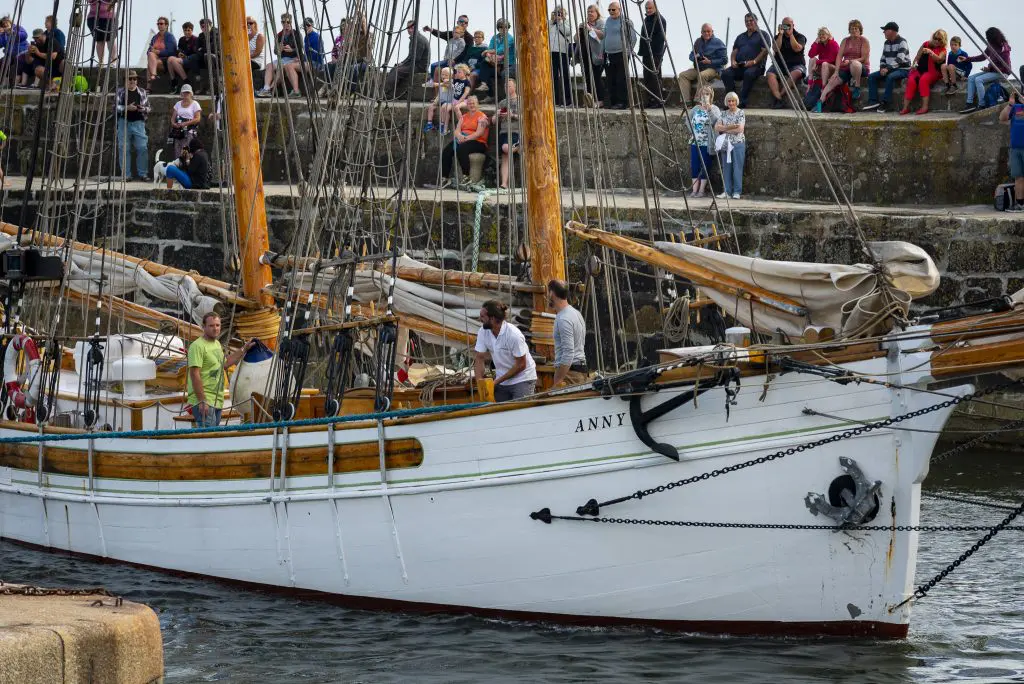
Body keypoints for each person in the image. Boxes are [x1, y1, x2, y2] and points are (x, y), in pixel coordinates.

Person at [187, 313, 255, 427]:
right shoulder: (197, 346)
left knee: (214, 433)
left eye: (217, 325)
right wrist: (202, 401)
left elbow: (225, 364)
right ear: (203, 327)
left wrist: (244, 349)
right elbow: (194, 375)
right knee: (209, 435)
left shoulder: (217, 344)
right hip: (205, 399)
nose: (215, 329)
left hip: (217, 399)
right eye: (211, 325)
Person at [473, 300, 537, 402]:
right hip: (502, 381)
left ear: (492, 319)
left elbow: (521, 365)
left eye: (482, 316)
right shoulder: (483, 332)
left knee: (521, 409)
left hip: (523, 378)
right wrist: (480, 384)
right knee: (497, 409)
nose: (479, 319)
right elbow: (479, 358)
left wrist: (495, 382)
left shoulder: (513, 335)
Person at [815, 19, 870, 112]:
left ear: (860, 30)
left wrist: (850, 61)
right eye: (852, 28)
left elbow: (864, 58)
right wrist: (836, 72)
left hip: (860, 67)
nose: (854, 30)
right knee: (832, 81)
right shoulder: (845, 40)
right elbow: (839, 56)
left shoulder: (864, 40)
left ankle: (857, 87)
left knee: (855, 64)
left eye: (856, 28)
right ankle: (820, 102)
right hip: (846, 67)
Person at [720, 13, 771, 109]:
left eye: (751, 20)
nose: (749, 23)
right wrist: (733, 61)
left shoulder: (763, 35)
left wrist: (754, 61)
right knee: (725, 73)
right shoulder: (740, 37)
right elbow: (734, 51)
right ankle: (732, 100)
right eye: (747, 21)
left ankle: (742, 101)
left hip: (756, 66)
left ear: (756, 21)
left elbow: (764, 51)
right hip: (740, 65)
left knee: (748, 74)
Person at [439, 95, 489, 186]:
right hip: (463, 139)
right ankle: (444, 177)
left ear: (477, 104)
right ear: (467, 105)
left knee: (461, 149)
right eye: (469, 103)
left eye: (473, 103)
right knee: (447, 151)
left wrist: (465, 139)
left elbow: (479, 133)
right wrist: (459, 136)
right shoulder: (464, 117)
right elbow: (456, 131)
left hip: (478, 142)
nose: (471, 105)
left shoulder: (482, 117)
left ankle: (466, 176)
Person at [960, 27, 1012, 114]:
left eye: (988, 38)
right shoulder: (991, 46)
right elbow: (982, 57)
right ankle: (969, 103)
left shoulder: (1004, 49)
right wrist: (967, 59)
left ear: (993, 38)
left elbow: (1006, 68)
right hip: (993, 70)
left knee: (978, 79)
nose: (987, 39)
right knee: (971, 78)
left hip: (1002, 73)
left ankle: (982, 104)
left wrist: (990, 68)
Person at [863, 22, 911, 113]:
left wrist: (887, 69)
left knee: (890, 77)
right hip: (889, 69)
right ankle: (873, 101)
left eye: (885, 30)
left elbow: (899, 59)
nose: (883, 32)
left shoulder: (902, 42)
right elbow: (883, 58)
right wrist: (882, 68)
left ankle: (885, 102)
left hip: (903, 69)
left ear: (892, 31)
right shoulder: (886, 43)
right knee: (872, 77)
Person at [548, 280, 588, 387]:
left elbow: (569, 353)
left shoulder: (563, 319)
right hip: (580, 369)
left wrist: (558, 379)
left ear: (552, 294)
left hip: (570, 374)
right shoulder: (576, 313)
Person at [677, 24, 727, 105]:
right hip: (699, 68)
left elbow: (724, 60)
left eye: (708, 31)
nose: (706, 33)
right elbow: (691, 55)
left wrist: (710, 61)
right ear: (701, 32)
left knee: (702, 75)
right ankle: (686, 102)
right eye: (704, 31)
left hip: (713, 69)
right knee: (683, 75)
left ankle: (699, 100)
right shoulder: (698, 42)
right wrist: (695, 58)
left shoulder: (718, 42)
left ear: (712, 32)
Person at [900, 30, 947, 116]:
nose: (936, 41)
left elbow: (939, 59)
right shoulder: (926, 44)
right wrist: (914, 65)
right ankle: (905, 108)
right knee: (911, 81)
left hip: (933, 72)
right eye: (935, 38)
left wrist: (931, 52)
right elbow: (917, 57)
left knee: (923, 80)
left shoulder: (943, 50)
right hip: (919, 70)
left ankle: (924, 107)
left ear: (943, 40)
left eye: (939, 39)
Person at [114, 71, 150, 181]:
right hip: (124, 122)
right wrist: (126, 108)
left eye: (135, 79)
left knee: (142, 148)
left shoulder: (142, 92)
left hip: (139, 123)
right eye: (130, 79)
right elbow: (115, 108)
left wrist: (142, 109)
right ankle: (126, 175)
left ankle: (143, 174)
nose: (132, 81)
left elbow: (148, 108)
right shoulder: (120, 92)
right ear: (125, 80)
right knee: (124, 149)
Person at [685, 85, 720, 198]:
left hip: (707, 143)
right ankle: (694, 190)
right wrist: (693, 131)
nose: (704, 96)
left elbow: (716, 121)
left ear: (711, 96)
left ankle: (701, 190)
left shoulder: (714, 109)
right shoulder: (695, 109)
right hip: (695, 142)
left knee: (705, 166)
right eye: (703, 94)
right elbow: (687, 120)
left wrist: (709, 110)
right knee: (695, 165)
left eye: (707, 94)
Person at [766, 17, 806, 109]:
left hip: (796, 65)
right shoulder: (777, 37)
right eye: (785, 25)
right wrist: (780, 35)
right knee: (770, 74)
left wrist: (791, 35)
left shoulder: (800, 37)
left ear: (793, 25)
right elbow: (776, 48)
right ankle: (778, 98)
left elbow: (797, 48)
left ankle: (781, 94)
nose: (786, 27)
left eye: (788, 25)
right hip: (780, 64)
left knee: (796, 73)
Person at [256, 14, 301, 97]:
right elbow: (275, 51)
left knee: (281, 68)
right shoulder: (279, 35)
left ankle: (271, 89)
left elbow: (301, 50)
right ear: (281, 23)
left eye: (288, 22)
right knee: (269, 65)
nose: (286, 24)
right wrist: (279, 49)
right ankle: (266, 88)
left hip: (293, 59)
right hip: (283, 59)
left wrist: (292, 50)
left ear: (291, 22)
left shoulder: (297, 34)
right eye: (283, 22)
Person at [383, 20, 430, 99]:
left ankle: (386, 93)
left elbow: (416, 58)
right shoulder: (414, 38)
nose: (409, 30)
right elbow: (411, 56)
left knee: (397, 71)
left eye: (412, 27)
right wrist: (402, 63)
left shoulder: (419, 39)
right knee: (395, 68)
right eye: (408, 28)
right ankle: (392, 94)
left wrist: (403, 63)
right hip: (415, 64)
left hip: (420, 66)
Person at [602, 1, 636, 110]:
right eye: (609, 10)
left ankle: (622, 102)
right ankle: (612, 102)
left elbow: (632, 38)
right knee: (610, 79)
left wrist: (628, 51)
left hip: (622, 53)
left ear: (619, 10)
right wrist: (602, 51)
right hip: (609, 54)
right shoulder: (608, 20)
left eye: (613, 9)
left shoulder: (626, 21)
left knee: (620, 79)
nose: (611, 11)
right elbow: (605, 36)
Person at [714, 91, 745, 200]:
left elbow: (740, 129)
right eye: (729, 101)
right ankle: (727, 191)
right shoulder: (723, 113)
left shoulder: (741, 112)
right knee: (726, 168)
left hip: (738, 143)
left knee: (737, 168)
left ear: (736, 101)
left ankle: (737, 191)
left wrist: (724, 129)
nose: (731, 103)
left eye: (733, 101)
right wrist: (731, 127)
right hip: (725, 144)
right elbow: (717, 128)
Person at [638, 0, 667, 108]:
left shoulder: (660, 20)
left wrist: (651, 49)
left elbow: (660, 39)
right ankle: (650, 100)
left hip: (655, 53)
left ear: (655, 8)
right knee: (647, 77)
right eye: (647, 8)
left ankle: (657, 100)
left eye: (650, 8)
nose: (648, 10)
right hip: (646, 53)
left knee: (655, 78)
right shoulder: (647, 19)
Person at [476, 19, 515, 97]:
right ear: (498, 28)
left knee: (487, 68)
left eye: (506, 27)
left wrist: (487, 51)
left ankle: (506, 96)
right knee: (485, 66)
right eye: (501, 27)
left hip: (506, 63)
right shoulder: (495, 37)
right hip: (495, 61)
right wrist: (488, 54)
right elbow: (490, 47)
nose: (503, 29)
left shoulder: (510, 38)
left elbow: (501, 50)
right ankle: (485, 87)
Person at [493, 78, 520, 188]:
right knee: (505, 157)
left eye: (509, 86)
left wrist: (512, 115)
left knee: (505, 148)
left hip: (515, 131)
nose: (506, 88)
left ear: (515, 87)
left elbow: (527, 119)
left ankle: (519, 146)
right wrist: (497, 114)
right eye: (505, 86)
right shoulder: (502, 103)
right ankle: (504, 183)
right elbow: (494, 122)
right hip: (503, 132)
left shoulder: (521, 101)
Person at [1000, 92, 1024, 212]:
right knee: (1018, 177)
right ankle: (1020, 204)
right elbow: (1002, 118)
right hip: (1015, 148)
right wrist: (1010, 105)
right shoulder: (1016, 108)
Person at [577, 5, 605, 107]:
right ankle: (590, 100)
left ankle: (600, 100)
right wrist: (579, 31)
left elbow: (602, 36)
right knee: (587, 78)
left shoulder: (601, 23)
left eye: (592, 11)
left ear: (597, 13)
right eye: (588, 12)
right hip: (585, 54)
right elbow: (576, 39)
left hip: (596, 55)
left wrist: (590, 29)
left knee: (596, 77)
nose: (590, 13)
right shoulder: (584, 24)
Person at [425, 19, 468, 85]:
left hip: (455, 61)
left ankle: (451, 83)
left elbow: (460, 52)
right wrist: (445, 58)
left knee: (451, 71)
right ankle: (432, 79)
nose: (455, 34)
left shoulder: (461, 42)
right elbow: (447, 50)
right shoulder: (450, 40)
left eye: (457, 33)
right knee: (433, 65)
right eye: (454, 32)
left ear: (461, 34)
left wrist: (453, 59)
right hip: (447, 59)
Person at [284, 17, 324, 86]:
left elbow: (318, 55)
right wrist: (300, 58)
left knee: (290, 66)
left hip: (316, 63)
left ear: (312, 25)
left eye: (308, 25)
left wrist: (302, 59)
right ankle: (294, 88)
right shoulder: (306, 37)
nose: (306, 27)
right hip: (308, 61)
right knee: (287, 65)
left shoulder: (316, 37)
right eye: (305, 25)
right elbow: (306, 53)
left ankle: (296, 90)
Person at [169, 83, 201, 157]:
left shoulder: (195, 104)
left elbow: (197, 119)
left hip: (189, 132)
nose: (186, 94)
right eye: (184, 92)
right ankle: (179, 163)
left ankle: (186, 163)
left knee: (186, 153)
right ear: (181, 93)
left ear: (191, 93)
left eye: (187, 92)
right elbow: (173, 118)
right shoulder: (178, 104)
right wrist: (174, 124)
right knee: (177, 151)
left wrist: (185, 123)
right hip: (178, 132)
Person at [549, 6, 573, 106]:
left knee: (565, 76)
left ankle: (568, 101)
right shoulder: (549, 24)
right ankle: (555, 100)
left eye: (560, 13)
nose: (558, 15)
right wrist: (553, 22)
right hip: (551, 52)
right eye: (556, 13)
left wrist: (560, 22)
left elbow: (568, 32)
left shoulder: (566, 23)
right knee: (553, 77)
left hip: (563, 52)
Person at [166, 21, 198, 92]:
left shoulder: (195, 39)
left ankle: (186, 81)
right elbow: (179, 49)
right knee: (170, 59)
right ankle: (173, 81)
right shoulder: (181, 39)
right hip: (182, 59)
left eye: (189, 30)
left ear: (192, 30)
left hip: (190, 59)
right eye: (185, 30)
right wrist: (179, 53)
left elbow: (195, 53)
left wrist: (186, 56)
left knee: (174, 61)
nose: (187, 32)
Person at [807, 27, 839, 94]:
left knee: (824, 64)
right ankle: (810, 82)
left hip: (833, 68)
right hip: (823, 67)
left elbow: (831, 59)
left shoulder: (833, 44)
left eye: (823, 34)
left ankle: (823, 86)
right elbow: (810, 55)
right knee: (812, 59)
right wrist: (815, 43)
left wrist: (817, 62)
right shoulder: (820, 44)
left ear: (828, 35)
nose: (821, 36)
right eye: (820, 34)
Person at [424, 66, 455, 133]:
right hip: (441, 101)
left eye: (446, 75)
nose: (444, 76)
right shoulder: (441, 84)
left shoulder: (451, 83)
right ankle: (429, 123)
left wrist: (435, 84)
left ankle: (442, 124)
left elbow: (447, 85)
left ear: (451, 76)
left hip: (448, 102)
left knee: (442, 108)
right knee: (431, 107)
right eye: (442, 74)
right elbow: (439, 94)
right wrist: (435, 101)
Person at [146, 17, 176, 86]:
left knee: (150, 64)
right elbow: (149, 50)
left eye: (161, 23)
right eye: (158, 24)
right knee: (150, 54)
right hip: (155, 59)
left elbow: (171, 51)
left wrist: (158, 52)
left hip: (166, 60)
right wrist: (152, 51)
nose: (159, 25)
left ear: (166, 25)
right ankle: (153, 75)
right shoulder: (155, 37)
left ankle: (149, 86)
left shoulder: (170, 36)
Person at [86, 0, 117, 65]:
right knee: (99, 40)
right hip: (94, 18)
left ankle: (113, 61)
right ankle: (101, 62)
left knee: (110, 39)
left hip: (109, 17)